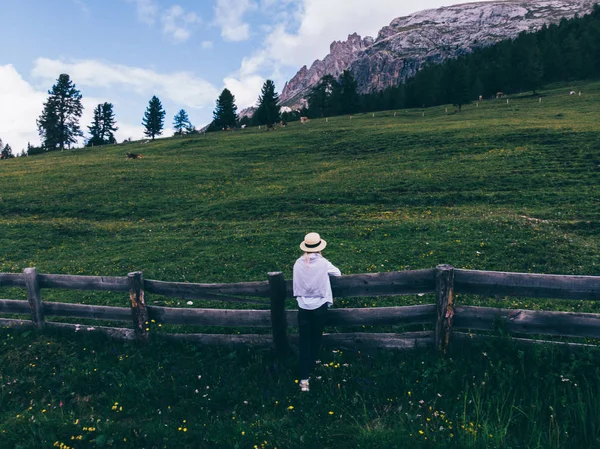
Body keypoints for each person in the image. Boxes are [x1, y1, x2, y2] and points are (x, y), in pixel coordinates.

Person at [293, 232, 341, 392]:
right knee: (316, 338)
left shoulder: (298, 263)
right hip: (319, 305)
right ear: (319, 247)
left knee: (304, 340)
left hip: (303, 306)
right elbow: (338, 273)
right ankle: (311, 369)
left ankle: (304, 379)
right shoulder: (323, 263)